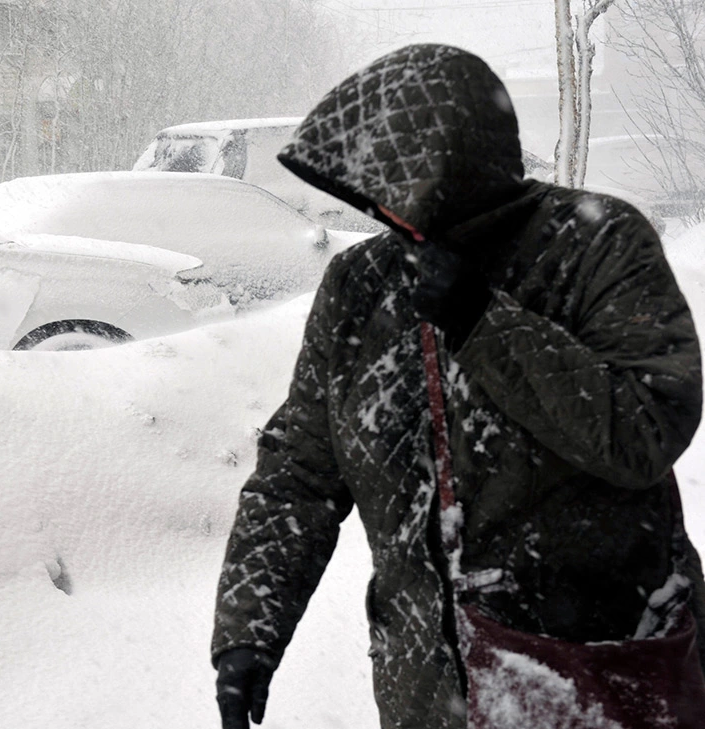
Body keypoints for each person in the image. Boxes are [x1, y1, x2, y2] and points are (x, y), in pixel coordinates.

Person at [211, 44, 705, 728]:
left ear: (461, 168)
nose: (386, 210)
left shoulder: (596, 243)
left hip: (596, 678)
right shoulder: (360, 287)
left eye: (404, 183)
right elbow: (299, 474)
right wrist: (247, 633)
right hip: (428, 691)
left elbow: (646, 428)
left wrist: (483, 321)